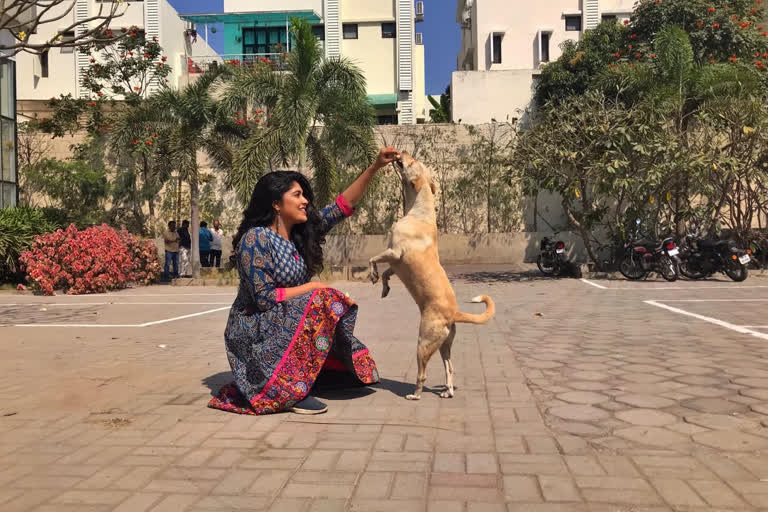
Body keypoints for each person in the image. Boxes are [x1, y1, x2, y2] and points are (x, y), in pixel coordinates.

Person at [209, 146, 400, 415]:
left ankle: (310, 376)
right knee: (321, 298)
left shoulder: (301, 234)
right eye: (297, 195)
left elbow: (342, 206)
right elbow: (264, 299)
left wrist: (375, 167)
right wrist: (312, 287)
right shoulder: (257, 239)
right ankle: (288, 390)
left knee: (323, 301)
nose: (304, 201)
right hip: (253, 328)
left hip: (283, 321)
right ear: (276, 203)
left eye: (304, 196)